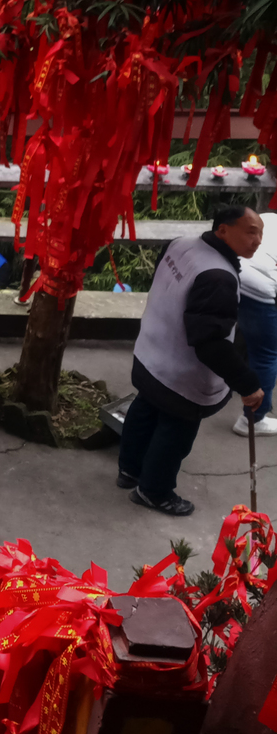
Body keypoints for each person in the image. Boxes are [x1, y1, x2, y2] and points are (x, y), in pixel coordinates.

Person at [119, 204, 266, 516]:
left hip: (152, 351)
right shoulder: (218, 277)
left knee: (145, 409)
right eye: (251, 232)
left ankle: (129, 470)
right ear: (223, 230)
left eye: (261, 233)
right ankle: (153, 491)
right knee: (175, 431)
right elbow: (209, 343)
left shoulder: (180, 244)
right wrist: (247, 384)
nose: (258, 240)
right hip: (180, 374)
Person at [236, 210, 277, 436]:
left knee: (244, 335)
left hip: (232, 273)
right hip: (259, 289)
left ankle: (234, 383)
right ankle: (252, 420)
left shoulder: (269, 217)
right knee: (266, 355)